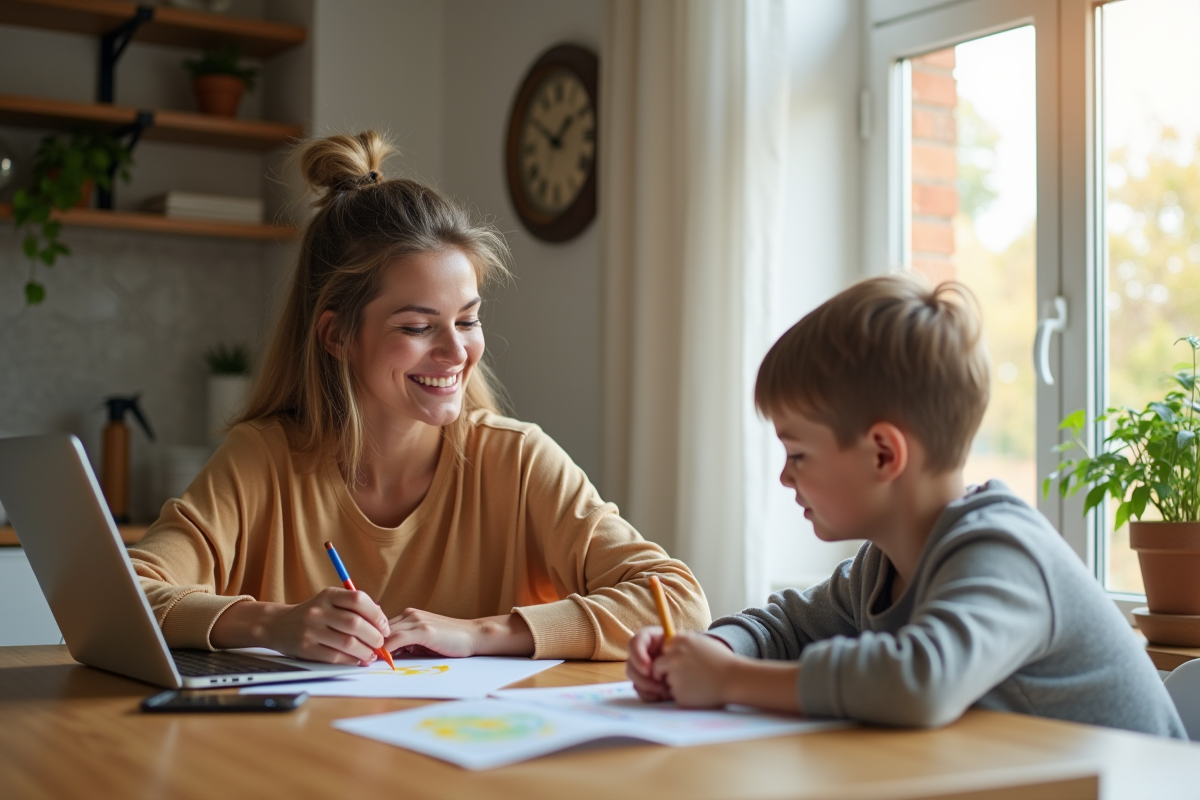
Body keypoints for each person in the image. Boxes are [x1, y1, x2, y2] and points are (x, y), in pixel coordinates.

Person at [130, 131, 709, 665]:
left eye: (468, 320)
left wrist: (481, 633)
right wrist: (272, 624)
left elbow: (677, 601)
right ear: (337, 336)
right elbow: (123, 593)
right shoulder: (262, 459)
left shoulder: (517, 460)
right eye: (416, 327)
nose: (456, 352)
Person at [625, 275, 1185, 738]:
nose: (784, 475)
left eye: (797, 454)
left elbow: (919, 683)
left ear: (884, 454)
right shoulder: (881, 567)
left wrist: (729, 680)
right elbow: (785, 627)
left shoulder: (1003, 554)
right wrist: (704, 650)